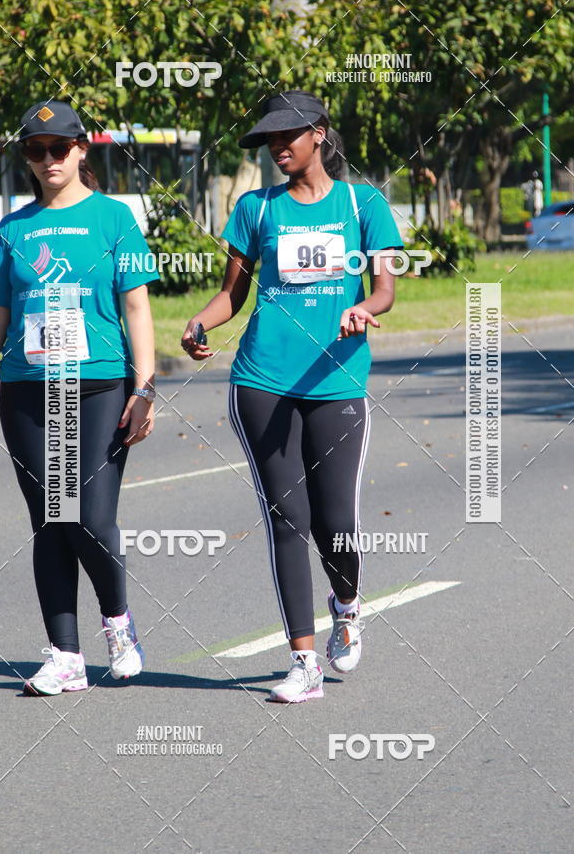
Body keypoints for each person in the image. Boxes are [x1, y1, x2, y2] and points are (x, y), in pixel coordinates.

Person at [181, 90, 402, 703]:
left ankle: (348, 604)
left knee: (336, 523)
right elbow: (232, 296)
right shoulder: (256, 209)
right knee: (287, 520)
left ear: (319, 135)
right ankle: (303, 661)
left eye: (289, 136)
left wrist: (362, 307)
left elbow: (384, 288)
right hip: (262, 380)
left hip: (335, 381)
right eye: (270, 141)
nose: (278, 148)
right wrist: (201, 324)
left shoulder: (364, 204)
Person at [0, 101, 159, 695]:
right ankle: (64, 656)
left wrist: (145, 387)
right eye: (36, 150)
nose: (48, 159)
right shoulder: (13, 228)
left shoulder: (114, 219)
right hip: (29, 390)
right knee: (51, 522)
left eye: (59, 147)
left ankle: (118, 622)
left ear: (82, 150)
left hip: (101, 385)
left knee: (92, 518)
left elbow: (137, 308)